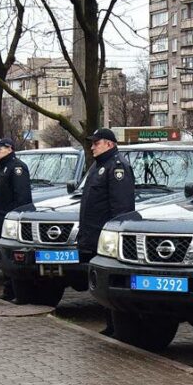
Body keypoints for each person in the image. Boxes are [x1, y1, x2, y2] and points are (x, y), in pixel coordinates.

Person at [78, 128, 135, 336]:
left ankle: (118, 328)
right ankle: (110, 325)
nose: (92, 146)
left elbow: (121, 209)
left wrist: (112, 239)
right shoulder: (98, 166)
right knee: (100, 284)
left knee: (109, 285)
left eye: (96, 142)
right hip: (94, 237)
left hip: (107, 240)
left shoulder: (117, 167)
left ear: (109, 144)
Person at [0, 138, 32, 302]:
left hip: (11, 222)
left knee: (13, 258)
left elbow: (22, 198)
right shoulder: (3, 168)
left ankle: (18, 293)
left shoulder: (17, 168)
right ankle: (9, 290)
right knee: (4, 257)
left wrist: (15, 223)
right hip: (1, 220)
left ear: (9, 149)